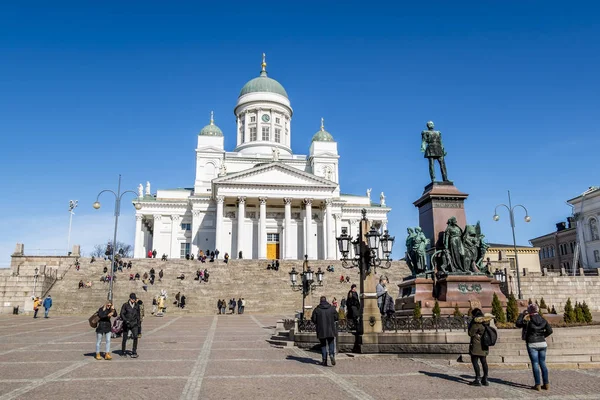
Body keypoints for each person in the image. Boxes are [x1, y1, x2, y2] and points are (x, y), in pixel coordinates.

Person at [516, 304, 553, 391]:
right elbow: (550, 330)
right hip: (543, 343)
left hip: (532, 343)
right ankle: (546, 384)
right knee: (543, 363)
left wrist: (522, 314)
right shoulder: (542, 319)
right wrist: (542, 336)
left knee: (535, 364)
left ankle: (537, 385)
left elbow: (518, 324)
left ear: (529, 311)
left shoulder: (528, 320)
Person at [468, 308, 493, 386]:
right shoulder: (486, 321)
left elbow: (470, 333)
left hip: (476, 344)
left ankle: (477, 379)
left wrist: (472, 323)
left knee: (475, 361)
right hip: (484, 344)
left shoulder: (476, 322)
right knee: (484, 361)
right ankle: (485, 379)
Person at [311, 296, 339, 366]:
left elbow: (313, 319)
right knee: (331, 342)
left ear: (320, 301)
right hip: (330, 329)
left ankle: (324, 360)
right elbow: (336, 317)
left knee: (323, 345)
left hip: (321, 330)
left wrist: (318, 322)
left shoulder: (317, 309)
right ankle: (332, 355)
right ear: (326, 300)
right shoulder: (331, 308)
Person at [120, 293, 141, 358]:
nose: (133, 300)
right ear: (130, 298)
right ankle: (123, 351)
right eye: (132, 299)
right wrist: (125, 320)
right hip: (127, 324)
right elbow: (122, 314)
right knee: (125, 338)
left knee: (135, 337)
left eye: (134, 299)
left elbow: (138, 315)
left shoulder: (137, 305)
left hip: (134, 324)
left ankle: (134, 351)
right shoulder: (125, 305)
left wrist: (138, 323)